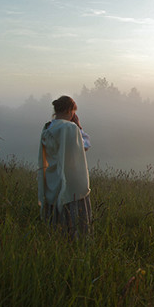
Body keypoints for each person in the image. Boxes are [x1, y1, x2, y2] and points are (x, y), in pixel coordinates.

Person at [37, 95, 92, 237]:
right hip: (72, 179)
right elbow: (84, 145)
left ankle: (55, 237)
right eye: (73, 112)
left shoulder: (48, 128)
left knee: (55, 208)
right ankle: (74, 239)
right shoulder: (70, 128)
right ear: (69, 110)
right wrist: (79, 126)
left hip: (52, 177)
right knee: (73, 210)